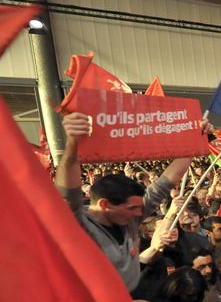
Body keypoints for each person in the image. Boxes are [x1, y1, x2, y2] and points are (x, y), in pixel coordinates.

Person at [55, 112, 194, 291]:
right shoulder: (77, 223)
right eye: (132, 208)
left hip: (130, 299)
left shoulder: (129, 218)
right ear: (105, 205)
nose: (140, 213)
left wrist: (194, 142)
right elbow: (68, 193)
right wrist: (72, 145)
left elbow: (166, 182)